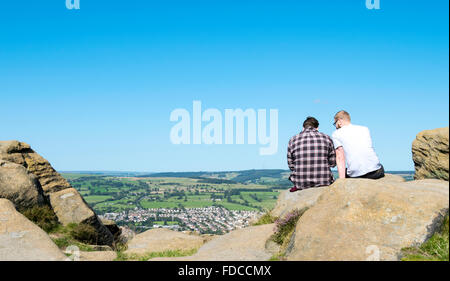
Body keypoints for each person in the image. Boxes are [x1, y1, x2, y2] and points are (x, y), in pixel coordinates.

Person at [287, 117, 336, 192]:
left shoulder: (293, 140)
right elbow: (332, 163)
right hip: (324, 181)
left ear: (303, 127)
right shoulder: (327, 138)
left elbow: (291, 165)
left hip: (300, 182)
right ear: (317, 128)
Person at [332, 110, 385, 179]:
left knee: (346, 171)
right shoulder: (365, 129)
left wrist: (342, 181)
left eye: (334, 123)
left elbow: (340, 157)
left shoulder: (336, 134)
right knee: (380, 166)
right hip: (375, 172)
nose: (335, 126)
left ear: (339, 121)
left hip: (356, 175)